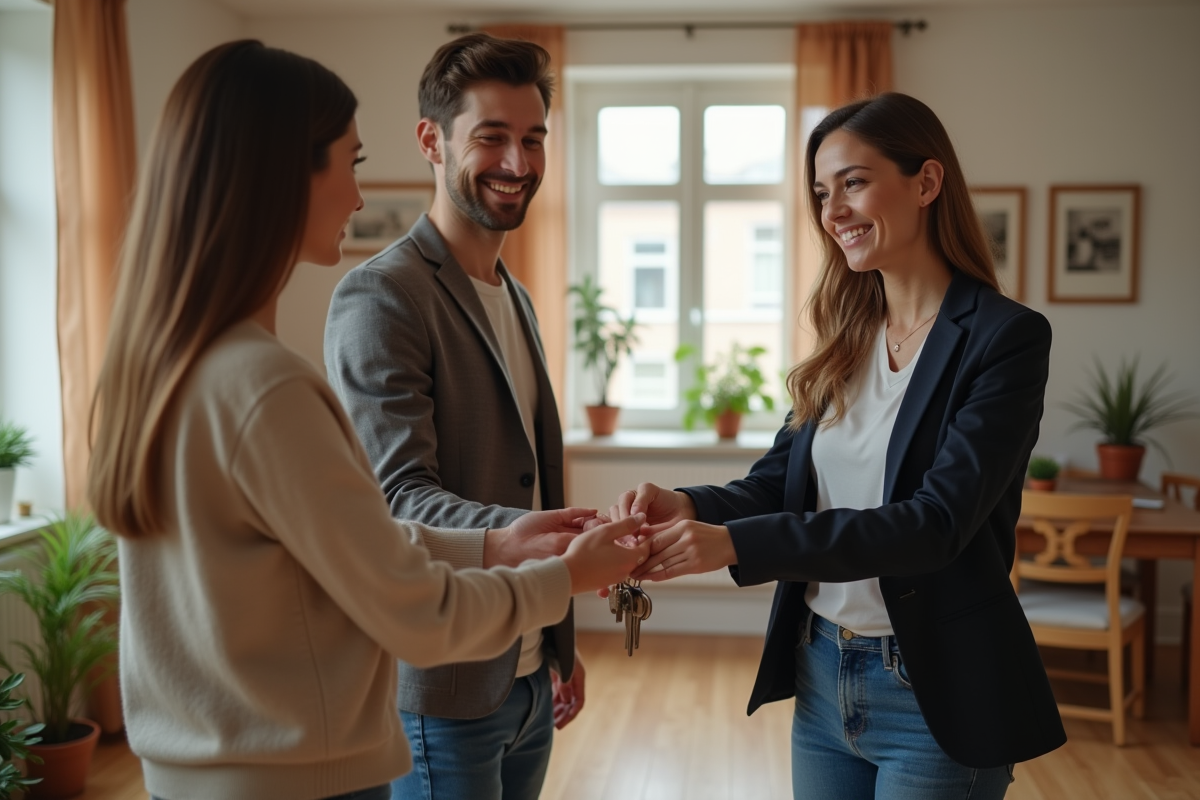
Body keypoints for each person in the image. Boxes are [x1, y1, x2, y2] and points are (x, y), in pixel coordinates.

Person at [86, 40, 648, 800]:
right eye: (349, 164)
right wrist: (563, 575)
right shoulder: (274, 375)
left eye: (534, 137)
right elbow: (400, 566)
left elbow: (332, 541)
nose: (357, 198)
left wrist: (501, 548)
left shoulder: (173, 365)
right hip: (318, 760)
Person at [611, 93, 1067, 799]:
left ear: (926, 182)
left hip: (935, 691)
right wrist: (685, 504)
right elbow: (776, 486)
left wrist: (735, 545)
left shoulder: (1004, 339)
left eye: (853, 182)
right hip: (821, 672)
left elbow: (934, 525)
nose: (833, 212)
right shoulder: (847, 335)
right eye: (822, 194)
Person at [324, 34, 579, 800]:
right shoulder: (382, 295)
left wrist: (558, 643)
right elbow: (398, 498)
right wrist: (557, 549)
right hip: (442, 688)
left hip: (530, 680)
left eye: (532, 139)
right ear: (431, 141)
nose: (518, 162)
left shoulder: (517, 295)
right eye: (492, 137)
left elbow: (531, 475)